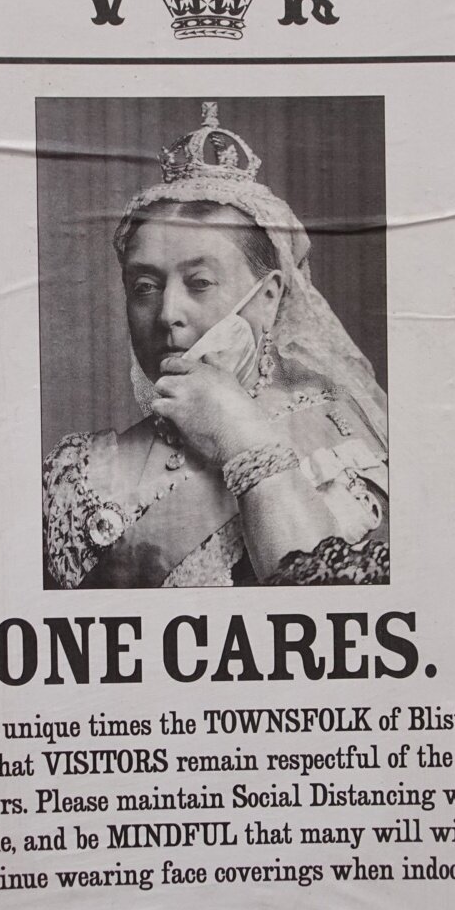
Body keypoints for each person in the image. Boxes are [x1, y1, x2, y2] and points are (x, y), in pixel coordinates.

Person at [43, 101, 388, 588]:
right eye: (144, 286)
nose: (167, 312)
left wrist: (245, 441)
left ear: (268, 298)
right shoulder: (82, 471)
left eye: (200, 282)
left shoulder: (343, 440)